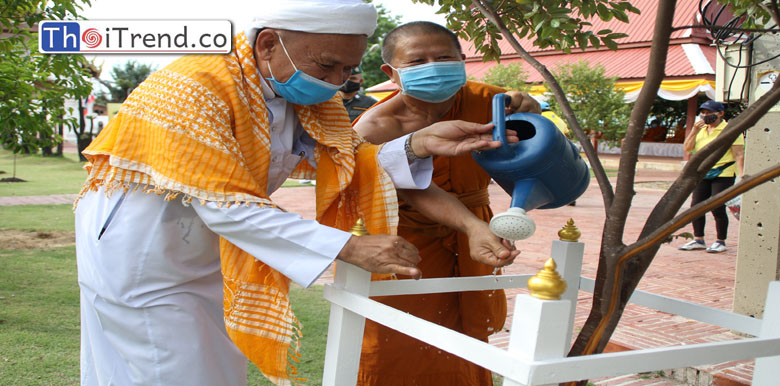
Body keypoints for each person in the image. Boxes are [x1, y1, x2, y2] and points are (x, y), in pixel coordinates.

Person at [73, 2, 519, 385]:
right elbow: (226, 202)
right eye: (328, 65)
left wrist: (419, 143)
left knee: (202, 365)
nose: (338, 81)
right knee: (167, 367)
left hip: (203, 249)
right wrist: (347, 246)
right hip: (144, 251)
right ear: (268, 44)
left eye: (347, 69)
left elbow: (349, 161)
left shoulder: (305, 92)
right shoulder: (193, 86)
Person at [352, 21, 539, 386]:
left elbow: (533, 142)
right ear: (391, 73)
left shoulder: (491, 102)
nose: (432, 67)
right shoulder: (375, 127)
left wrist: (529, 109)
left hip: (476, 226)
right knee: (397, 335)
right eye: (417, 61)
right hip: (406, 238)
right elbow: (412, 188)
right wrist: (472, 226)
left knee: (466, 335)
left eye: (443, 58)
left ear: (462, 61)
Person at [678, 100, 745, 253]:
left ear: (721, 113)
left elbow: (739, 154)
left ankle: (720, 241)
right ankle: (698, 239)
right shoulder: (701, 130)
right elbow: (688, 149)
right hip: (703, 173)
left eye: (710, 113)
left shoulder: (730, 129)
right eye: (704, 113)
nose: (706, 116)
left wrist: (742, 175)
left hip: (723, 173)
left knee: (717, 206)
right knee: (696, 207)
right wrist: (694, 131)